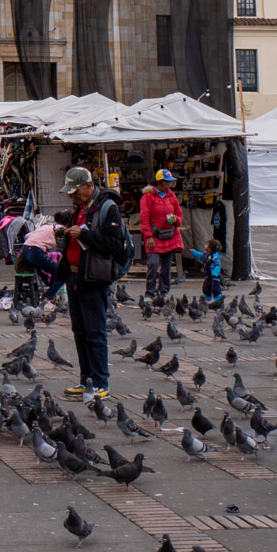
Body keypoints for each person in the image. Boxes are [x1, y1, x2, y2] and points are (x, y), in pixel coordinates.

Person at [59, 166, 128, 399]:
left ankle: (100, 382)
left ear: (89, 186)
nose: (72, 196)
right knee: (79, 330)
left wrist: (84, 234)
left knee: (95, 331)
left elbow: (113, 244)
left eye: (75, 191)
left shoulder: (108, 209)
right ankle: (85, 379)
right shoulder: (79, 207)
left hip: (93, 278)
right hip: (75, 276)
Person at [139, 170, 184, 302]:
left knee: (167, 267)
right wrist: (149, 236)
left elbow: (179, 215)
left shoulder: (171, 196)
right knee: (153, 265)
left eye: (170, 181)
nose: (169, 184)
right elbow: (144, 218)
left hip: (170, 235)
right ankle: (150, 294)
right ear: (159, 182)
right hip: (155, 236)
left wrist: (176, 219)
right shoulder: (148, 197)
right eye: (166, 182)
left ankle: (163, 293)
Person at [201, 238, 224, 305]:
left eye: (206, 245)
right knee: (206, 288)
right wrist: (194, 252)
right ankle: (208, 300)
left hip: (214, 277)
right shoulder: (206, 255)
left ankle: (218, 301)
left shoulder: (215, 257)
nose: (205, 246)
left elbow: (218, 266)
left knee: (215, 289)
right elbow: (201, 257)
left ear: (210, 248)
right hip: (208, 276)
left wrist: (215, 273)